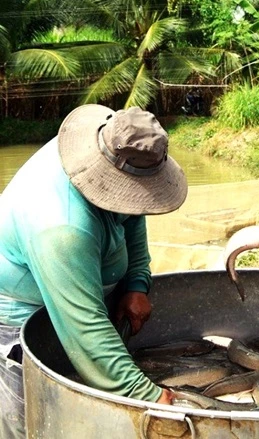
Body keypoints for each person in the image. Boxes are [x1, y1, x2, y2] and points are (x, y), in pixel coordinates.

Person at [0, 105, 188, 438]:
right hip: (20, 315)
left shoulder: (114, 138)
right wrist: (152, 398)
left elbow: (132, 210)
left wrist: (136, 284)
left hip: (80, 291)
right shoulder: (61, 229)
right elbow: (85, 332)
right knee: (31, 420)